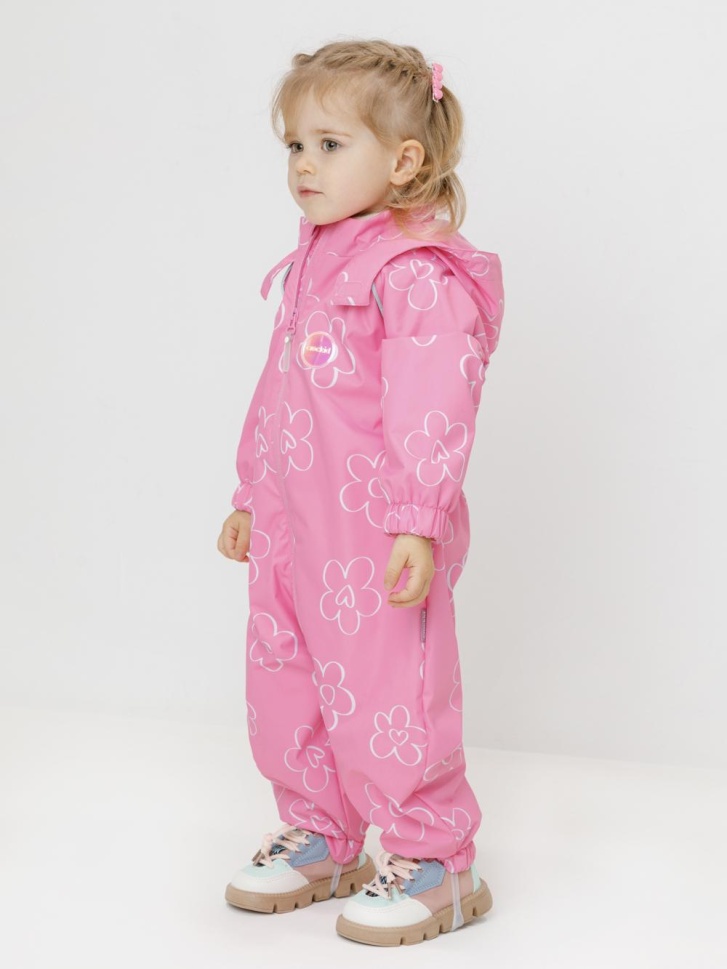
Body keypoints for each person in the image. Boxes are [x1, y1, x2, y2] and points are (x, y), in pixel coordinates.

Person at [216, 38, 504, 946]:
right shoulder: (314, 259)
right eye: (295, 145)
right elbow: (280, 390)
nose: (304, 164)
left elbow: (433, 406)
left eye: (330, 145)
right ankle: (323, 833)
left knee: (390, 689)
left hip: (377, 532)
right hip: (295, 523)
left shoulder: (414, 272)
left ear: (404, 160)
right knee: (286, 672)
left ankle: (436, 858)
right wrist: (252, 492)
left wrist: (418, 520)